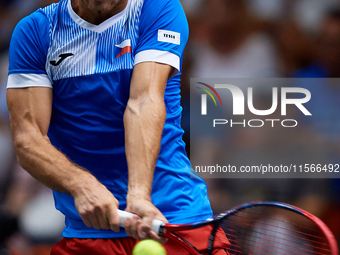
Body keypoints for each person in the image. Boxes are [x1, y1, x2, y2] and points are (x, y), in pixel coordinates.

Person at [6, 0, 230, 254]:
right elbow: (28, 138)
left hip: (174, 220)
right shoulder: (37, 31)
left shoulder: (157, 8)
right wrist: (82, 185)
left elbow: (143, 100)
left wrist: (138, 196)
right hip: (89, 232)